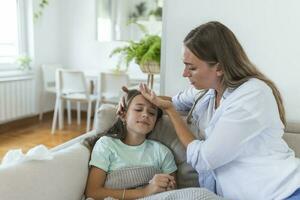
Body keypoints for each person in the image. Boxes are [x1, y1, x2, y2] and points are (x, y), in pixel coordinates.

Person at [134, 21, 300, 200]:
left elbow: (204, 159)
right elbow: (171, 101)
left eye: (192, 67)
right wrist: (133, 99)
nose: (184, 73)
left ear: (219, 67)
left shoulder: (252, 95)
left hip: (285, 192)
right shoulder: (209, 92)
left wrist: (172, 113)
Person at [84, 88, 177, 200]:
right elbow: (93, 192)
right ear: (123, 115)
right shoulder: (106, 144)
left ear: (155, 122)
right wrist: (145, 191)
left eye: (152, 113)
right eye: (138, 109)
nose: (145, 115)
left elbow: (174, 193)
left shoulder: (163, 152)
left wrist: (168, 186)